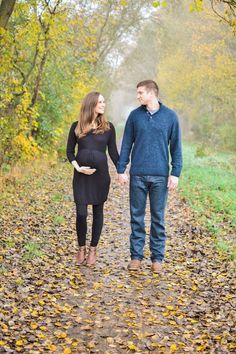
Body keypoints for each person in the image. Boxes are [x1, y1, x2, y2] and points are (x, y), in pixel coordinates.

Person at [117, 80, 182, 273]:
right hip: (137, 175)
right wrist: (122, 169)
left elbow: (176, 147)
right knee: (136, 217)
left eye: (140, 93)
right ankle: (136, 257)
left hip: (160, 177)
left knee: (158, 218)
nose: (137, 96)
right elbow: (126, 143)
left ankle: (157, 258)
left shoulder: (170, 117)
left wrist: (175, 173)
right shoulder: (135, 116)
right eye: (137, 93)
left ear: (151, 93)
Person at [66, 91, 119, 266]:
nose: (103, 105)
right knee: (81, 213)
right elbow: (69, 151)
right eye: (100, 102)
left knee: (98, 212)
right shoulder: (76, 126)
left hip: (100, 176)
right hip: (81, 177)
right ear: (91, 105)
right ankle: (81, 248)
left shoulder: (108, 127)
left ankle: (93, 250)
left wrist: (122, 171)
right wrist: (78, 168)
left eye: (104, 102)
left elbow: (113, 153)